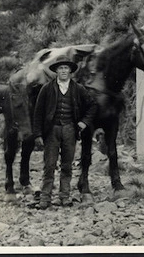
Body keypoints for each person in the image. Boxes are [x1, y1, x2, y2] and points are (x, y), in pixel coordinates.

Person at [32, 54, 97, 209]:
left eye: (66, 68)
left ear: (70, 71)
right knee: (49, 165)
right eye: (60, 68)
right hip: (51, 131)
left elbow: (93, 106)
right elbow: (38, 112)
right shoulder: (47, 88)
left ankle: (64, 196)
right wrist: (38, 134)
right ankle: (45, 198)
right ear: (56, 71)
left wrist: (83, 122)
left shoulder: (78, 89)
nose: (63, 71)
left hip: (70, 130)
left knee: (67, 165)